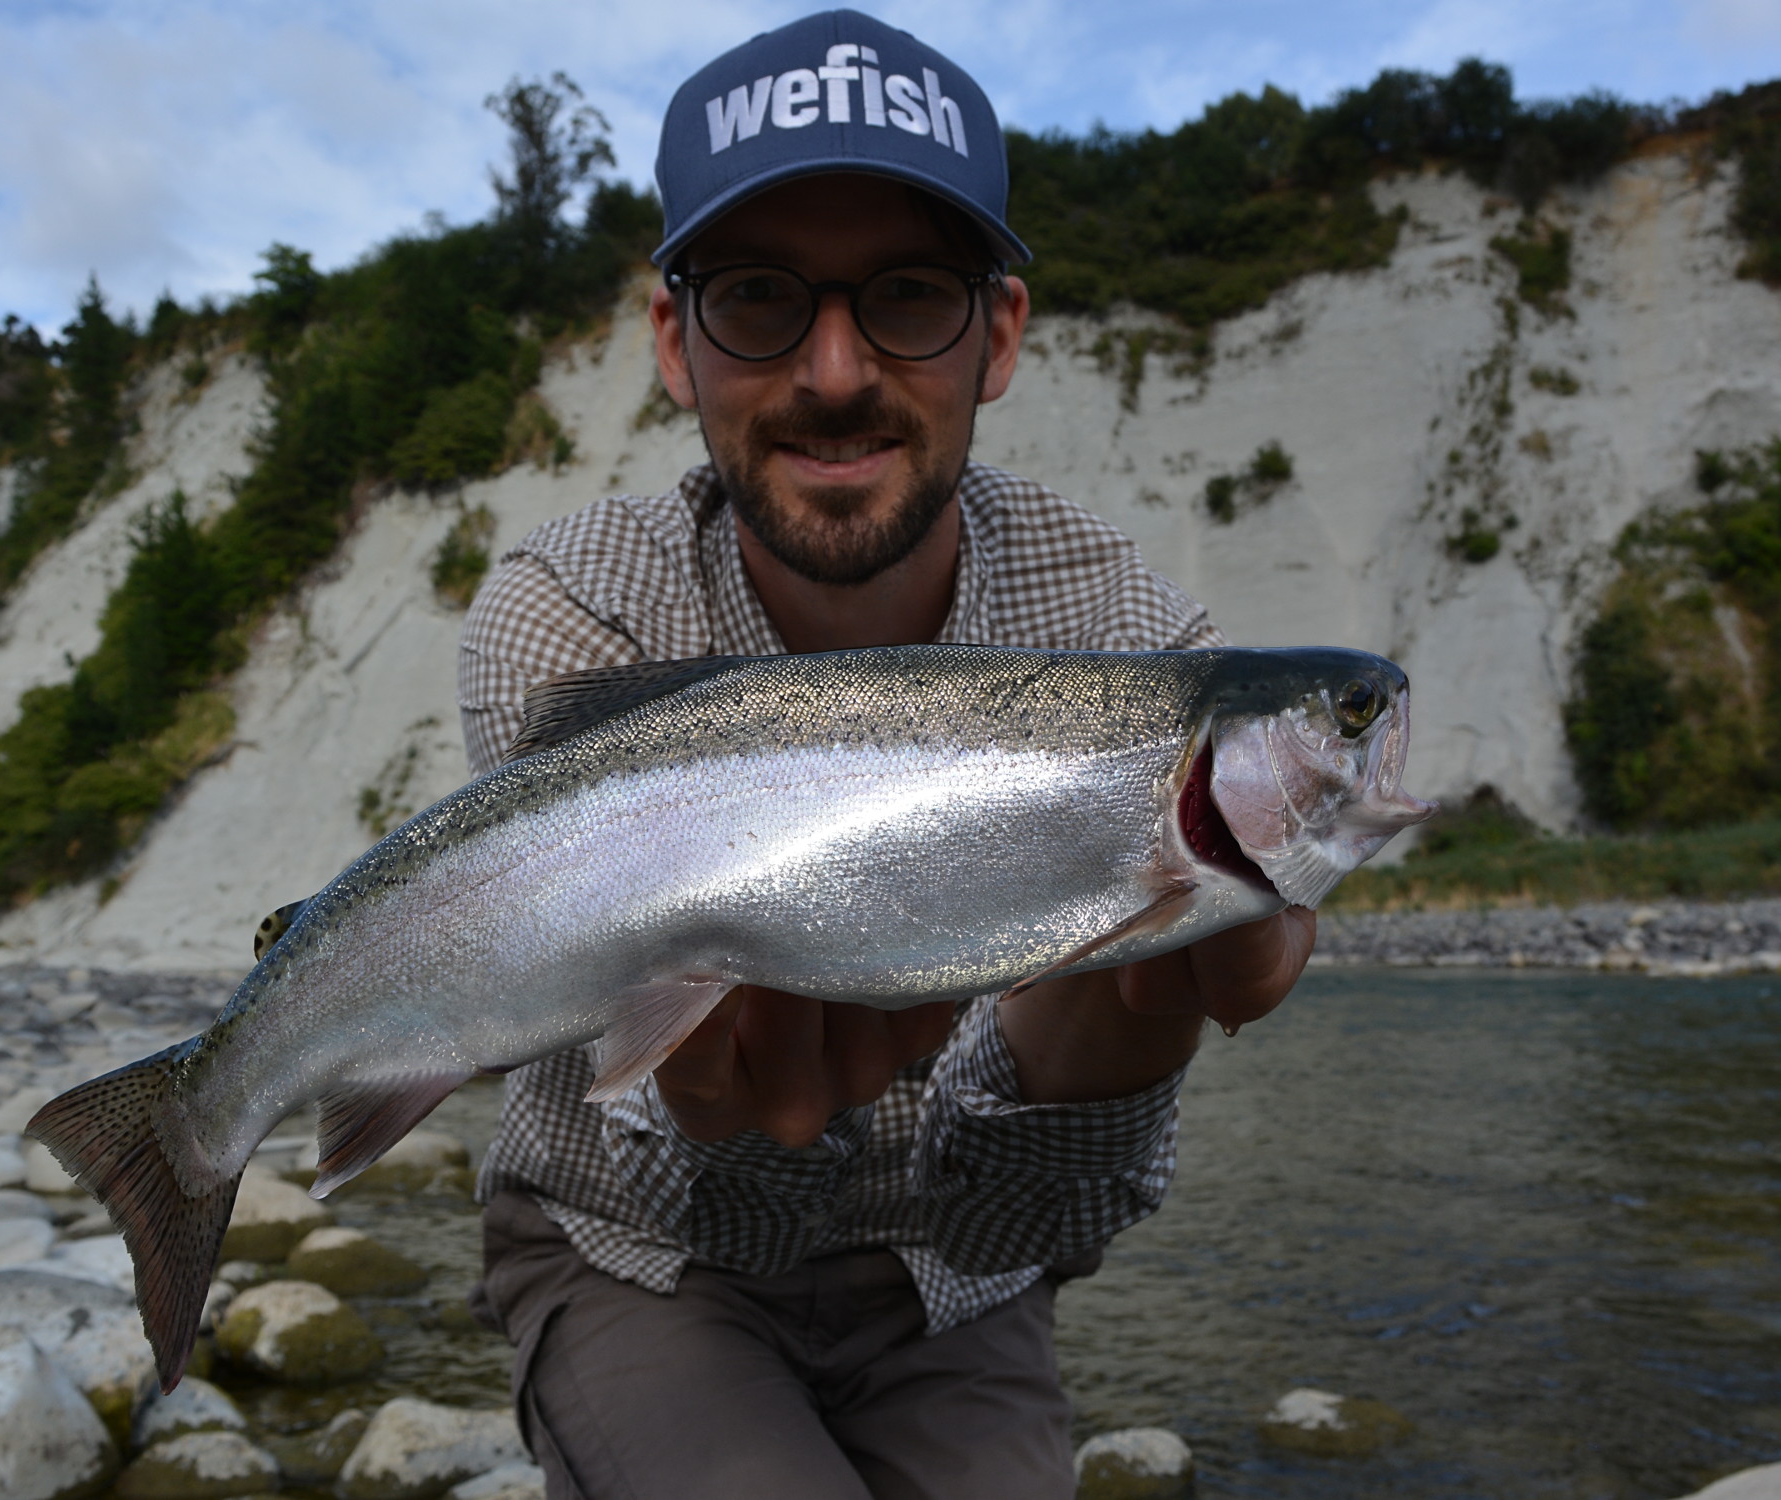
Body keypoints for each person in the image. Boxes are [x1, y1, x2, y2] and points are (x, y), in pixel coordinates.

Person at [458, 12, 1315, 1497]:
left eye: (911, 295)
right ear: (674, 342)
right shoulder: (567, 616)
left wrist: (1124, 1029)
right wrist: (709, 1087)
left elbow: (1049, 1200)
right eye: (758, 298)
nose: (838, 370)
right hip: (632, 1254)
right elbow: (630, 1103)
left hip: (955, 1277)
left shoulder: (1132, 643)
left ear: (999, 334)